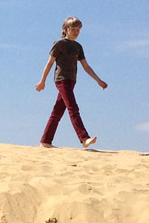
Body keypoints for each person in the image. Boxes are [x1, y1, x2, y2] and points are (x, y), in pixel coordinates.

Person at [35, 16, 108, 149]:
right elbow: (50, 63)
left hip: (72, 80)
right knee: (73, 108)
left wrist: (98, 80)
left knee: (57, 112)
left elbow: (86, 66)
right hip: (61, 80)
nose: (76, 32)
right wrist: (42, 81)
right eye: (73, 29)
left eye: (78, 30)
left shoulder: (78, 47)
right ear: (66, 29)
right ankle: (84, 138)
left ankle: (45, 141)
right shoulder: (59, 44)